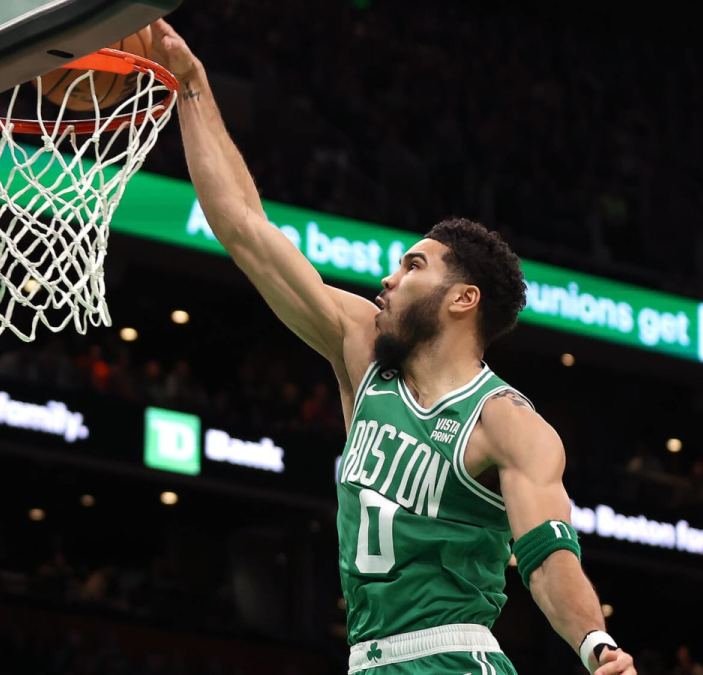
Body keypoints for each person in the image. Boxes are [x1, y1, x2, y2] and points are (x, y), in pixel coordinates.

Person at [149, 18, 636, 675]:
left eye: (413, 266)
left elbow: (548, 558)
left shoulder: (506, 423)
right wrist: (192, 85)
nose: (388, 277)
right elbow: (241, 226)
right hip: (370, 659)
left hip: (452, 657)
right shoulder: (360, 349)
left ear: (462, 299)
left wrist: (596, 645)